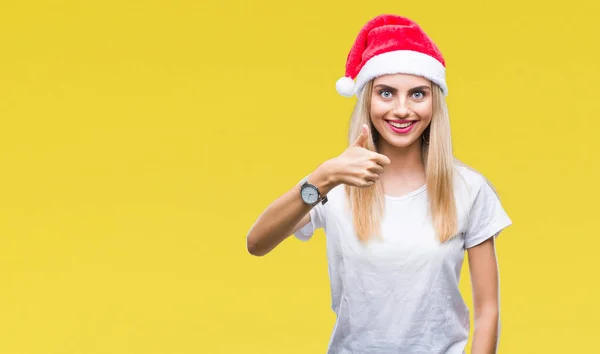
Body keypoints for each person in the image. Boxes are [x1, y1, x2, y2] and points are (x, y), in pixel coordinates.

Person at [246, 14, 512, 354]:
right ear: (367, 99)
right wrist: (322, 178)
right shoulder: (336, 183)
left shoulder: (469, 189)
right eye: (386, 93)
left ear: (434, 103)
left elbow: (488, 310)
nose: (402, 110)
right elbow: (257, 242)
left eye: (418, 94)